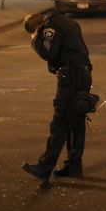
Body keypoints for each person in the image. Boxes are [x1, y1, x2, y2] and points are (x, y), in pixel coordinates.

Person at [22, 11, 94, 182]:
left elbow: (49, 52)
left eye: (35, 32)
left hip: (70, 77)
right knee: (76, 122)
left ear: (37, 28)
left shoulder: (50, 27)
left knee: (60, 123)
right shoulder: (68, 21)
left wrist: (34, 40)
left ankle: (45, 167)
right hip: (83, 74)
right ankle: (74, 165)